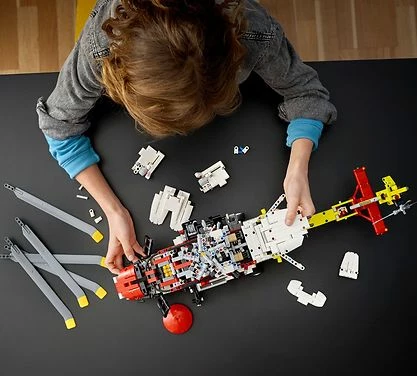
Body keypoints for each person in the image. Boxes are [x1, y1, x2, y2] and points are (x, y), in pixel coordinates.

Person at [37, 0, 337, 275]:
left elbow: (307, 94)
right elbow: (58, 127)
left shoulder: (253, 30)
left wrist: (298, 169)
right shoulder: (100, 48)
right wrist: (113, 210)